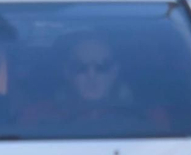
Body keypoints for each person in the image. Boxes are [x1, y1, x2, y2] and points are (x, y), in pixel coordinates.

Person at [21, 35, 167, 132]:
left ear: (114, 72)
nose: (92, 75)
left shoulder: (149, 117)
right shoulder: (37, 115)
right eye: (80, 67)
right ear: (67, 72)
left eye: (102, 67)